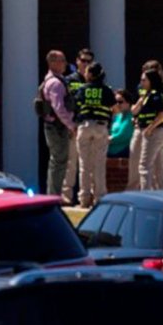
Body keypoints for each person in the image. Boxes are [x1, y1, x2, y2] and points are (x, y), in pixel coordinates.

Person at [126, 60, 163, 190]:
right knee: (137, 162)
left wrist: (158, 105)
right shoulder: (143, 89)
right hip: (140, 127)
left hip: (156, 128)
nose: (142, 81)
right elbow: (135, 109)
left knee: (147, 165)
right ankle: (135, 191)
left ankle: (149, 195)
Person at [73, 61, 116, 208]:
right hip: (100, 127)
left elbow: (75, 106)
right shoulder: (107, 90)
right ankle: (99, 198)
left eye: (87, 71)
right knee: (99, 164)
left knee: (84, 165)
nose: (84, 73)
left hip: (84, 126)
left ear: (91, 74)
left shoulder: (82, 89)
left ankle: (84, 199)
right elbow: (114, 108)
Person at [41, 50, 76, 202]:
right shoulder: (55, 83)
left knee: (57, 161)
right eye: (62, 60)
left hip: (54, 126)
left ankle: (53, 195)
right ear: (52, 63)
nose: (65, 64)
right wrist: (71, 125)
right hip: (57, 128)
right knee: (59, 161)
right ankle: (54, 197)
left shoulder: (54, 80)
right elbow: (59, 108)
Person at [61, 48, 94, 204]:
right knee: (71, 163)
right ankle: (66, 197)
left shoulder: (94, 82)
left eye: (89, 61)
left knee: (88, 164)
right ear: (77, 61)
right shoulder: (69, 80)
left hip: (88, 124)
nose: (86, 64)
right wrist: (69, 123)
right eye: (83, 60)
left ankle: (86, 197)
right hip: (73, 126)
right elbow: (63, 103)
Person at [108, 88, 134, 158]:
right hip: (109, 150)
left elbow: (122, 136)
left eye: (120, 102)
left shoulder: (131, 117)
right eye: (115, 102)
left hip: (122, 151)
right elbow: (109, 132)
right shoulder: (117, 116)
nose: (117, 104)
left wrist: (105, 140)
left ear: (128, 102)